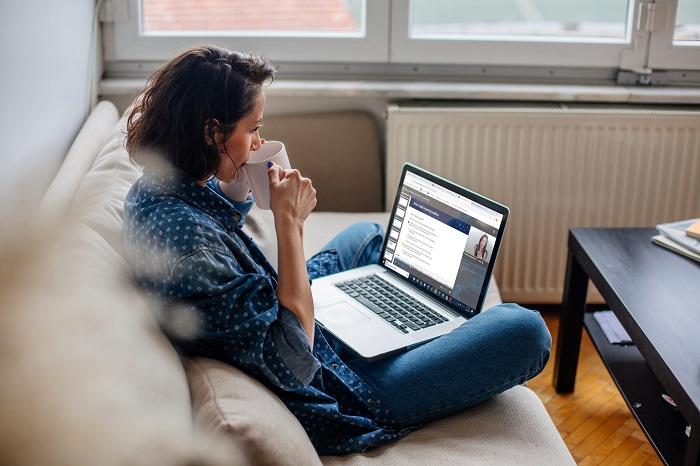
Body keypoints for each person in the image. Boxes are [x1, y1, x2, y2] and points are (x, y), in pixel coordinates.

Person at [122, 46, 551, 456]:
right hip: (343, 387)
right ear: (212, 132)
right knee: (525, 329)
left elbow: (222, 240)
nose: (258, 142)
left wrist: (238, 181)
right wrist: (289, 223)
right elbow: (294, 359)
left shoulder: (162, 189)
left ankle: (414, 317)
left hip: (294, 322)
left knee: (367, 235)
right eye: (253, 129)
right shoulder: (190, 248)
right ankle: (423, 332)